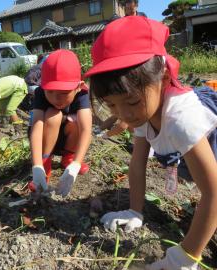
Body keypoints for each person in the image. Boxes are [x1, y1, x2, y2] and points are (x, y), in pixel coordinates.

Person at [84, 16, 217, 269]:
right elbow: (137, 164)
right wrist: (135, 211)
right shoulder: (144, 111)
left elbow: (214, 192)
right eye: (112, 105)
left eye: (131, 102)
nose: (124, 115)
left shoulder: (180, 119)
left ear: (164, 79)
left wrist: (185, 257)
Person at [29, 49, 92, 197]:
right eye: (50, 92)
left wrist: (76, 163)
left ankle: (68, 158)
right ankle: (46, 163)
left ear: (78, 86)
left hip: (66, 140)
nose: (56, 98)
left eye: (64, 93)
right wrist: (37, 165)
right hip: (45, 140)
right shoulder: (40, 93)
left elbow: (86, 130)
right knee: (53, 114)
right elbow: (36, 128)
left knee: (77, 120)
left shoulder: (82, 94)